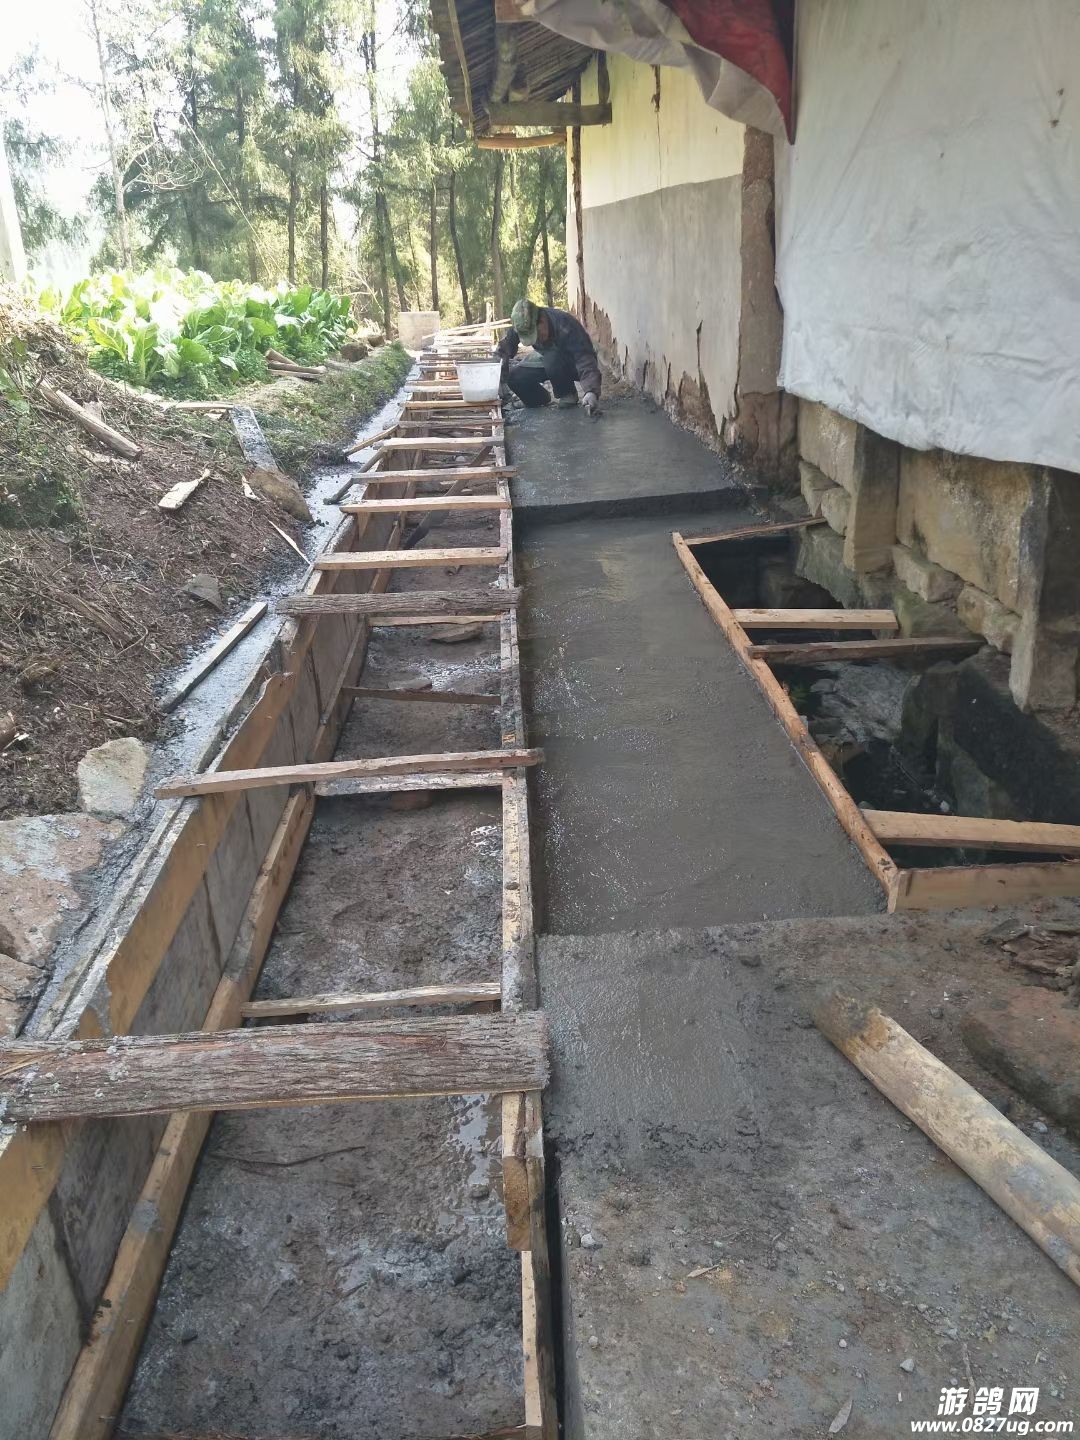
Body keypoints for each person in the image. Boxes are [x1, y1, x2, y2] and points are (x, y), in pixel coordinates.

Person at [497, 298, 601, 415]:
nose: (536, 340)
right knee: (514, 378)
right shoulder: (522, 325)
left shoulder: (566, 325)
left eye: (536, 334)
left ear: (542, 320)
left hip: (573, 364)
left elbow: (585, 359)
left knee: (551, 357)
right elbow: (504, 349)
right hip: (548, 359)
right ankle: (539, 399)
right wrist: (498, 374)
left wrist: (591, 391)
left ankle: (568, 394)